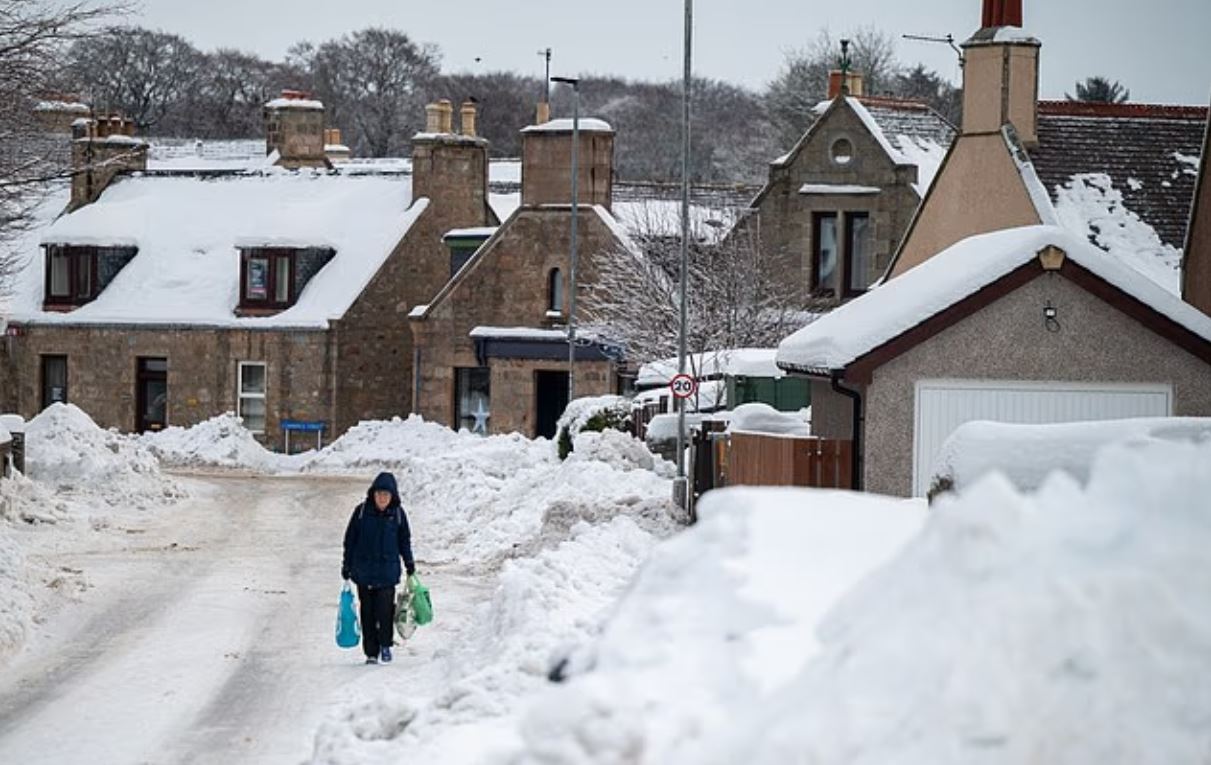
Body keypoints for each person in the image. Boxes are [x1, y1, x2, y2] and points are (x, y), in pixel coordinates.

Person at [341, 472, 415, 665]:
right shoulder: (361, 512)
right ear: (373, 494)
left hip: (387, 573)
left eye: (386, 495)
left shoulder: (398, 515)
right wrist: (346, 565)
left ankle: (385, 645)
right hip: (363, 572)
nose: (382, 498)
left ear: (392, 497)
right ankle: (371, 652)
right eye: (379, 494)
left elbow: (404, 541)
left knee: (385, 612)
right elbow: (350, 541)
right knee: (367, 613)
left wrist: (409, 563)